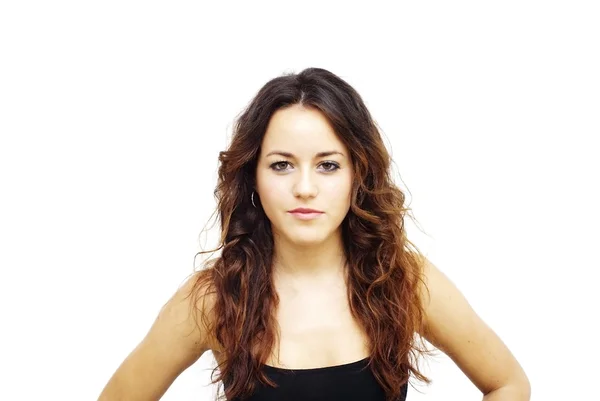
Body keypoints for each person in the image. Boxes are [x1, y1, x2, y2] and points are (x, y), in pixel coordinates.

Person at [97, 67, 531, 401]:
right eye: (281, 164)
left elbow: (508, 384)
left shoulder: (403, 280)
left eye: (328, 164)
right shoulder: (215, 298)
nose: (304, 187)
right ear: (254, 176)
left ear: (357, 175)